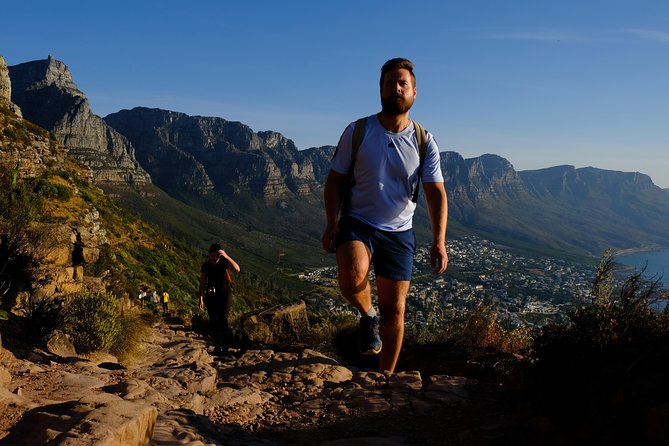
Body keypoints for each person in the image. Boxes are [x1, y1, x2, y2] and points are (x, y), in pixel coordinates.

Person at [322, 58, 448, 373]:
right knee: (352, 276)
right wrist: (331, 223)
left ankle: (385, 377)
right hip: (358, 222)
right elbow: (335, 181)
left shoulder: (424, 141)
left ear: (414, 93)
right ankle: (367, 314)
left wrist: (439, 241)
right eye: (390, 82)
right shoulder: (359, 131)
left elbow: (435, 193)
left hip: (400, 232)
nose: (396, 88)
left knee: (396, 311)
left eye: (402, 83)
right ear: (379, 89)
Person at [199, 242, 241, 355]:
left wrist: (226, 256)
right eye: (213, 255)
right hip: (211, 296)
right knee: (213, 321)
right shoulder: (206, 266)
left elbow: (237, 269)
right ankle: (217, 346)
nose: (215, 258)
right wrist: (201, 297)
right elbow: (202, 282)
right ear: (209, 254)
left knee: (223, 320)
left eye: (217, 255)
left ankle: (225, 346)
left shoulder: (224, 263)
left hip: (225, 295)